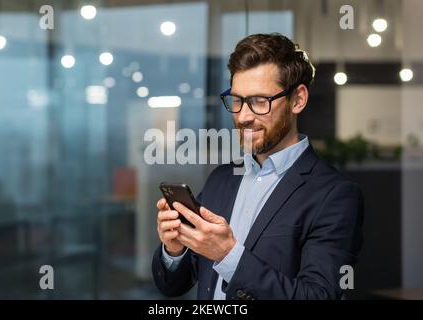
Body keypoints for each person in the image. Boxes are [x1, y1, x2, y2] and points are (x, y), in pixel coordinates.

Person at [152, 33, 363, 300]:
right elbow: (174, 286)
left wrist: (228, 255)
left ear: (297, 99)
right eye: (237, 100)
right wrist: (174, 249)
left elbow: (318, 296)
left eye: (260, 101)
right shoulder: (221, 179)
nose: (243, 117)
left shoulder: (335, 196)